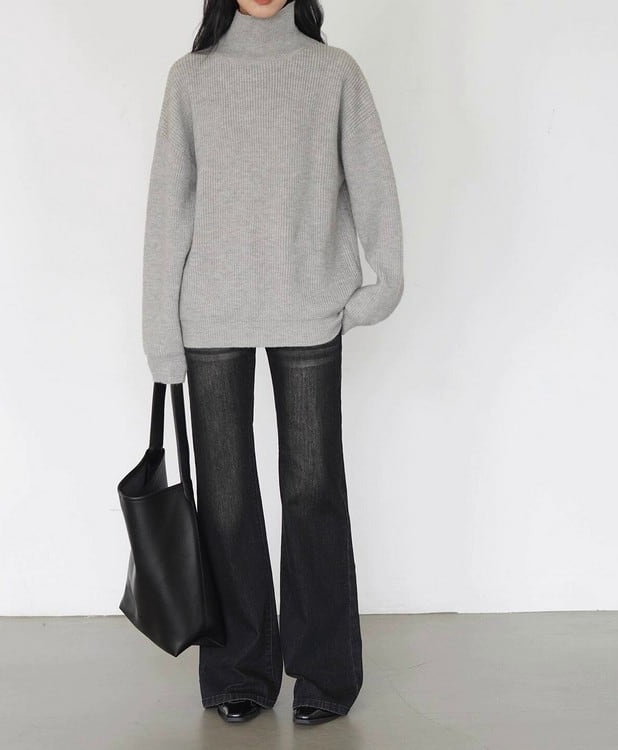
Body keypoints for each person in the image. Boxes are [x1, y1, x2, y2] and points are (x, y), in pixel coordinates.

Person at [141, 0, 403, 726]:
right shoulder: (191, 79)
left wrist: (384, 283)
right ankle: (239, 670)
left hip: (309, 304)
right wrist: (160, 333)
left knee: (314, 489)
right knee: (224, 499)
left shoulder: (334, 73)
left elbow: (372, 179)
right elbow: (168, 207)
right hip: (211, 313)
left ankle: (324, 672)